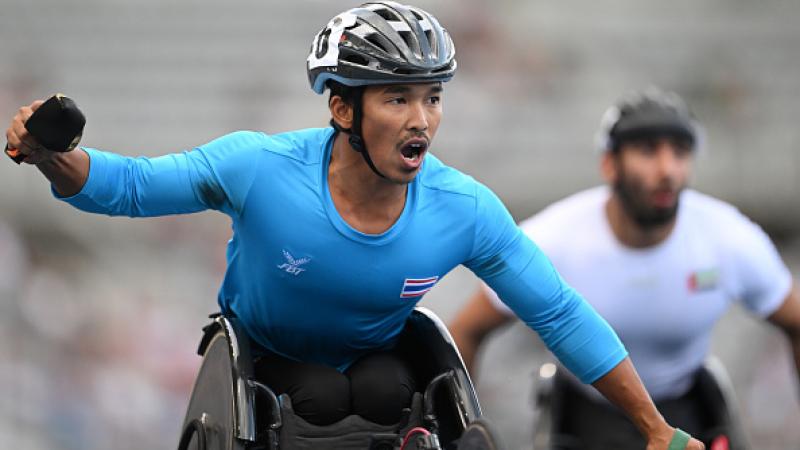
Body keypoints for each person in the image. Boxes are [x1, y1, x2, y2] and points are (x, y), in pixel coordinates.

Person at [5, 3, 702, 448]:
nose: (422, 118)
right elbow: (127, 187)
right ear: (343, 110)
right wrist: (52, 157)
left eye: (432, 97)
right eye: (398, 97)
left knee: (382, 391)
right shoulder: (258, 169)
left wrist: (654, 430)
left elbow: (558, 312)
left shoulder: (464, 208)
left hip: (384, 372)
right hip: (265, 368)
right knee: (324, 394)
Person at [449, 87, 800, 448]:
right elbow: (465, 332)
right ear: (609, 164)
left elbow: (796, 321)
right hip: (585, 420)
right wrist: (461, 434)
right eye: (647, 151)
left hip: (689, 413)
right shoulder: (553, 239)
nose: (666, 170)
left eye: (680, 152)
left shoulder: (729, 237)